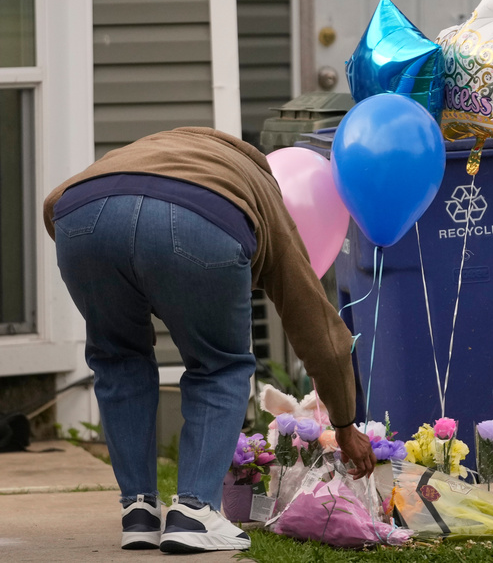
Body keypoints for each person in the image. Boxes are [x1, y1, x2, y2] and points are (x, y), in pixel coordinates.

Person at [43, 127, 376, 553]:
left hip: (81, 216)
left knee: (118, 359)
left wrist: (109, 269)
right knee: (221, 365)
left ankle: (138, 510)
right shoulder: (260, 194)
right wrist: (345, 424)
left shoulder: (150, 149)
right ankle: (195, 512)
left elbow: (56, 203)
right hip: (199, 220)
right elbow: (318, 327)